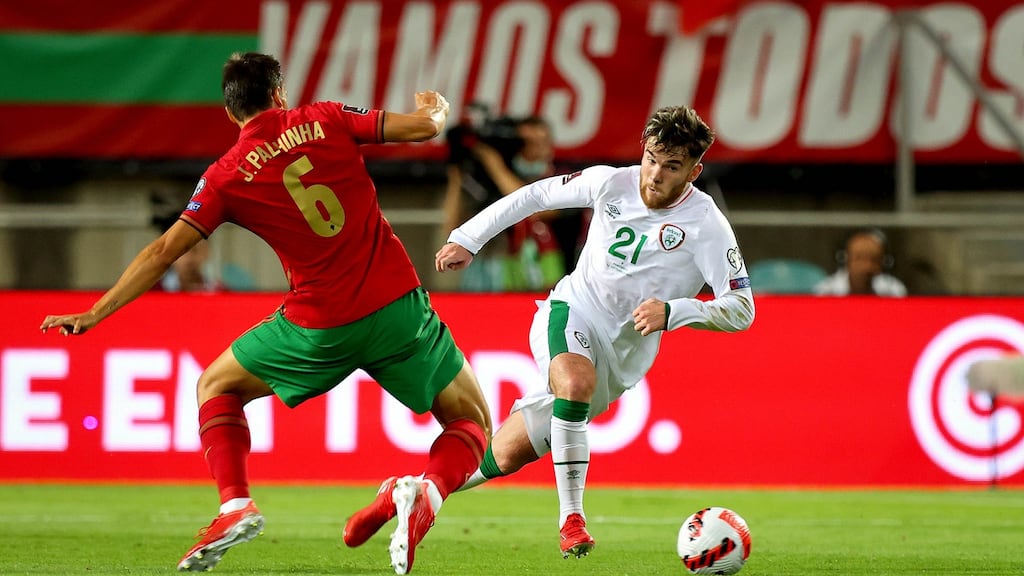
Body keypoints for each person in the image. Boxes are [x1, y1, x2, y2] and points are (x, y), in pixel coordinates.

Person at [39, 52, 491, 575]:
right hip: (397, 311)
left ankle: (235, 503)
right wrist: (435, 108)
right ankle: (426, 492)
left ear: (230, 112)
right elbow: (425, 129)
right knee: (469, 421)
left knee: (215, 388)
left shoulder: (226, 175)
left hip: (317, 326)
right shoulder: (325, 118)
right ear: (279, 94)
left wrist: (96, 312)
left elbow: (163, 252)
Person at [434, 105, 755, 558]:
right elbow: (534, 196)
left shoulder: (707, 225)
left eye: (672, 166)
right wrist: (467, 238)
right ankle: (572, 520)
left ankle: (418, 493)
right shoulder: (611, 182)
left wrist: (677, 311)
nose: (654, 175)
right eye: (650, 159)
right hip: (572, 309)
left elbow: (742, 308)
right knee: (575, 382)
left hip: (622, 359)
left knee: (505, 456)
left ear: (695, 171)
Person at [814, 228, 907, 297]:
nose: (867, 266)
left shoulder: (893, 290)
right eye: (859, 258)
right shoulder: (826, 292)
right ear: (845, 259)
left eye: (874, 260)